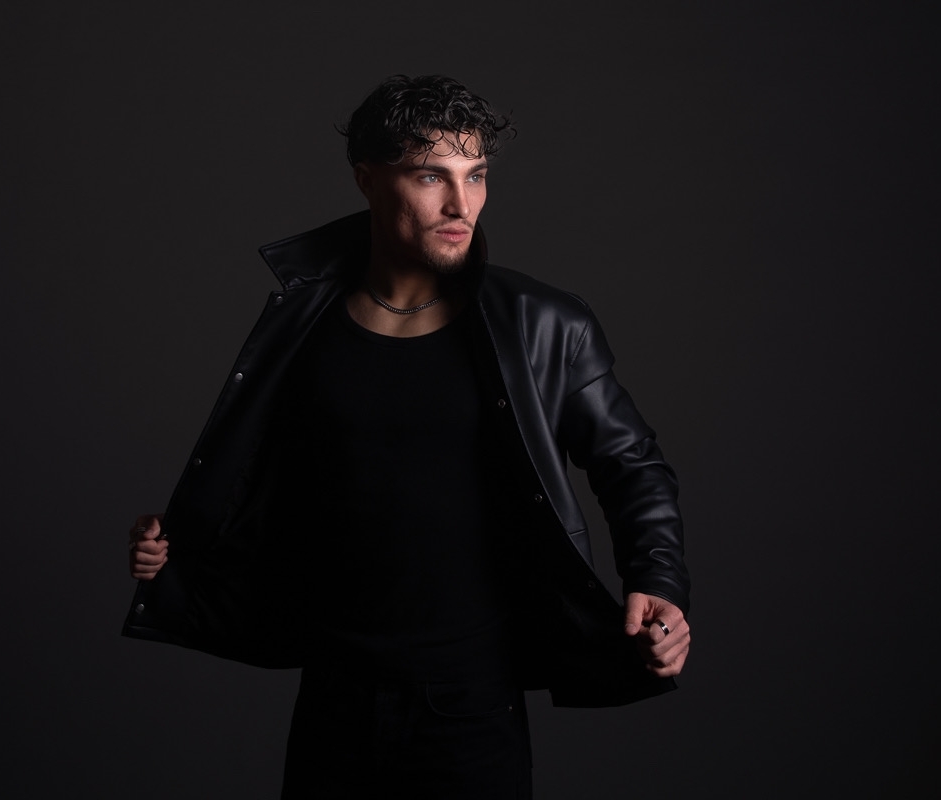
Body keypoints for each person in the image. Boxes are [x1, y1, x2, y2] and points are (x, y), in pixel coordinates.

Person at [124, 74, 690, 799]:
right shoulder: (303, 326)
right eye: (431, 176)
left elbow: (632, 465)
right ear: (367, 179)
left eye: (475, 176)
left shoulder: (543, 324)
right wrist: (177, 547)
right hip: (335, 694)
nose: (462, 205)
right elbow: (263, 483)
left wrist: (658, 580)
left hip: (471, 702)